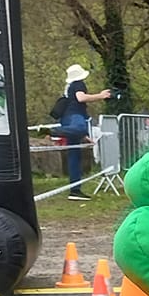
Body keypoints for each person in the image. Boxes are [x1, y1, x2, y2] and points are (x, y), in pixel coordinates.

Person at [56, 63, 111, 196]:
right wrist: (101, 95)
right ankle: (54, 132)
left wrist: (84, 136)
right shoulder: (78, 84)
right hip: (75, 117)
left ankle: (75, 190)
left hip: (67, 119)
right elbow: (81, 98)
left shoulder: (68, 88)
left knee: (74, 155)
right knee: (78, 133)